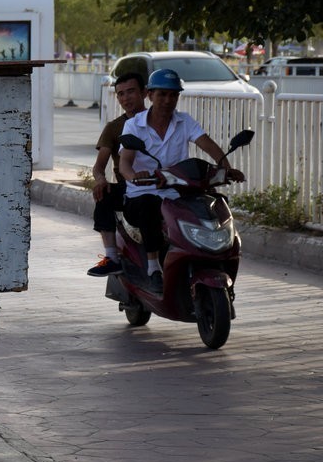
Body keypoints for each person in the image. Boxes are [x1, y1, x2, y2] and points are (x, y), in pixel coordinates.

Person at [118, 68, 245, 293]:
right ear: (150, 95)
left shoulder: (184, 121)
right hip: (142, 193)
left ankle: (214, 263)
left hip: (178, 192)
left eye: (173, 95)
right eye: (162, 95)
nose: (168, 100)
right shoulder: (134, 125)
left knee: (213, 204)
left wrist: (226, 167)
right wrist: (133, 177)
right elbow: (125, 162)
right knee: (150, 207)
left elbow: (206, 143)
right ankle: (153, 267)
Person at [86, 72, 147, 276]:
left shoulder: (158, 121)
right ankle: (112, 257)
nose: (126, 98)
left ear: (145, 93)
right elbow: (98, 166)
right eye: (121, 94)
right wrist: (101, 181)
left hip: (161, 185)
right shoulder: (113, 128)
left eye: (131, 92)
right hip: (128, 188)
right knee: (104, 196)